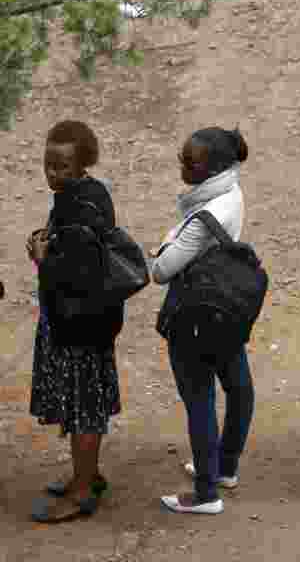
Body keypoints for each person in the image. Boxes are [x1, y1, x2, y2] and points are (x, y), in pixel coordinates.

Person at [153, 127, 255, 515]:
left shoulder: (201, 218)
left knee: (199, 400)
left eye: (190, 162)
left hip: (194, 317)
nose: (182, 166)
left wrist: (167, 241)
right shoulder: (233, 192)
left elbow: (161, 270)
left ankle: (206, 493)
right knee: (238, 386)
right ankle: (225, 467)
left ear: (213, 168)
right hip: (227, 310)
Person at [28, 120, 125, 522]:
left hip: (80, 329)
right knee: (84, 405)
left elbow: (76, 277)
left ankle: (82, 492)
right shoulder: (88, 195)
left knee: (84, 409)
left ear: (82, 163)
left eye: (62, 166)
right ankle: (88, 476)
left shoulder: (78, 210)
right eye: (49, 165)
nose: (53, 173)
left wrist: (42, 259)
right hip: (91, 324)